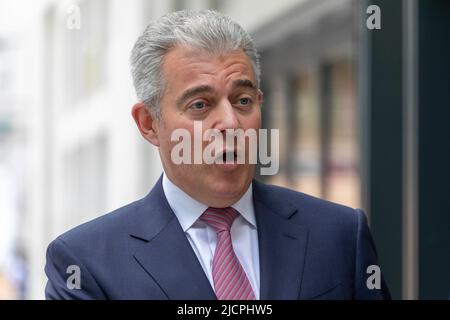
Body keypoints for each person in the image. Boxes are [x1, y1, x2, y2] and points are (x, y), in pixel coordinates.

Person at [44, 9, 390, 300]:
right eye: (200, 105)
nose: (230, 122)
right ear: (149, 123)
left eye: (243, 100)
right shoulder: (85, 262)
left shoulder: (340, 235)